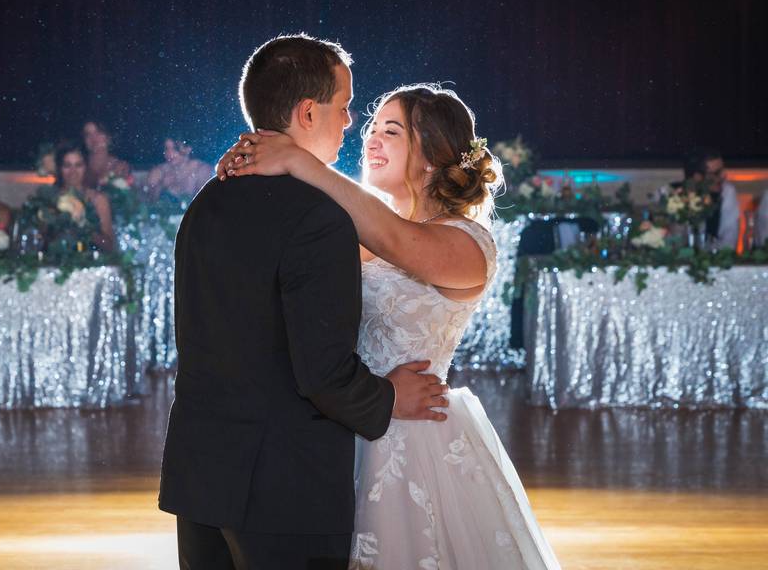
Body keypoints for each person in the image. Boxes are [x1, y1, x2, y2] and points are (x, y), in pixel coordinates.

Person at [218, 83, 562, 569]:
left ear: (432, 154)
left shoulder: (466, 244)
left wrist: (299, 160)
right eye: (372, 129)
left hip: (416, 441)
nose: (371, 140)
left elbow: (397, 237)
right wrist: (256, 169)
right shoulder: (370, 233)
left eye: (392, 131)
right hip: (345, 423)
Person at [159, 35, 448, 570]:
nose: (349, 122)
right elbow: (323, 373)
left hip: (201, 471)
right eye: (343, 107)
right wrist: (390, 399)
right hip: (282, 486)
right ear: (308, 112)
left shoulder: (211, 197)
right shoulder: (318, 218)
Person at [54, 140, 114, 251]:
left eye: (78, 165)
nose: (73, 171)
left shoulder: (98, 200)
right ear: (60, 169)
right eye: (67, 165)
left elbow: (109, 245)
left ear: (85, 167)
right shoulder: (50, 199)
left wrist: (86, 228)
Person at [682, 148, 740, 251]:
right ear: (697, 177)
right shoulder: (675, 198)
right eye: (717, 173)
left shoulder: (727, 192)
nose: (723, 176)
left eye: (722, 170)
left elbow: (730, 239)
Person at [143, 138, 214, 201]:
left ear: (188, 149)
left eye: (175, 148)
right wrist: (161, 186)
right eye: (166, 149)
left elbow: (206, 200)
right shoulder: (159, 171)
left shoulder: (202, 169)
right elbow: (146, 200)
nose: (169, 153)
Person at [82, 120, 134, 189]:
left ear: (108, 137)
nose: (93, 138)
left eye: (99, 132)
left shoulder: (120, 166)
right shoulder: (79, 165)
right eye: (88, 134)